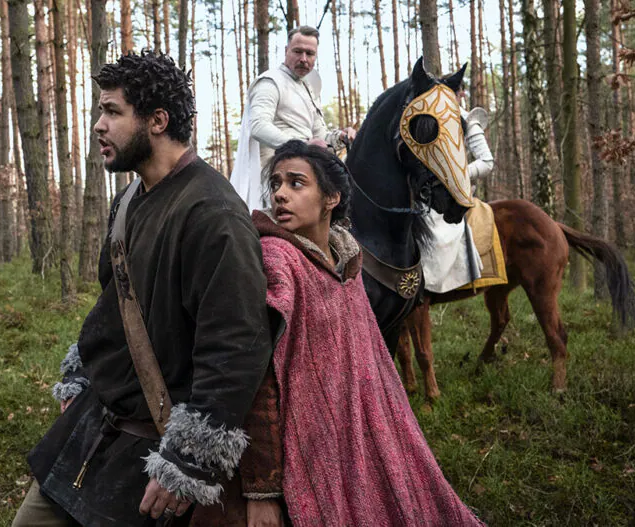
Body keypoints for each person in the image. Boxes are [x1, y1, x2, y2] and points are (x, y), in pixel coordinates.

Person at [12, 51, 273, 527]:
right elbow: (113, 306)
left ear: (157, 120)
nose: (97, 125)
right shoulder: (129, 199)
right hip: (94, 425)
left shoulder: (214, 215)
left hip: (154, 450)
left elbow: (236, 347)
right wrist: (86, 372)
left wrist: (186, 462)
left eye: (112, 112)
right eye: (100, 111)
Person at [191, 140, 483, 526]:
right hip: (304, 448)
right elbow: (258, 378)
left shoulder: (347, 262)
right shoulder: (277, 261)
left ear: (331, 198)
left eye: (296, 183)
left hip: (354, 437)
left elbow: (370, 360)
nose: (279, 193)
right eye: (276, 183)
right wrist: (262, 488)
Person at [230, 25, 357, 212]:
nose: (303, 59)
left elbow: (319, 136)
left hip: (309, 170)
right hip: (278, 177)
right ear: (286, 51)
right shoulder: (270, 82)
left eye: (310, 53)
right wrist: (303, 145)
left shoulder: (308, 88)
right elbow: (257, 126)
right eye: (297, 51)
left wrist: (339, 137)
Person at [421, 90, 495, 294]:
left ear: (459, 95)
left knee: (440, 228)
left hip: (456, 193)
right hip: (426, 191)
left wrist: (456, 173)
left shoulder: (469, 121)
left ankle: (431, 284)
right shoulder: (430, 122)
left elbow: (487, 162)